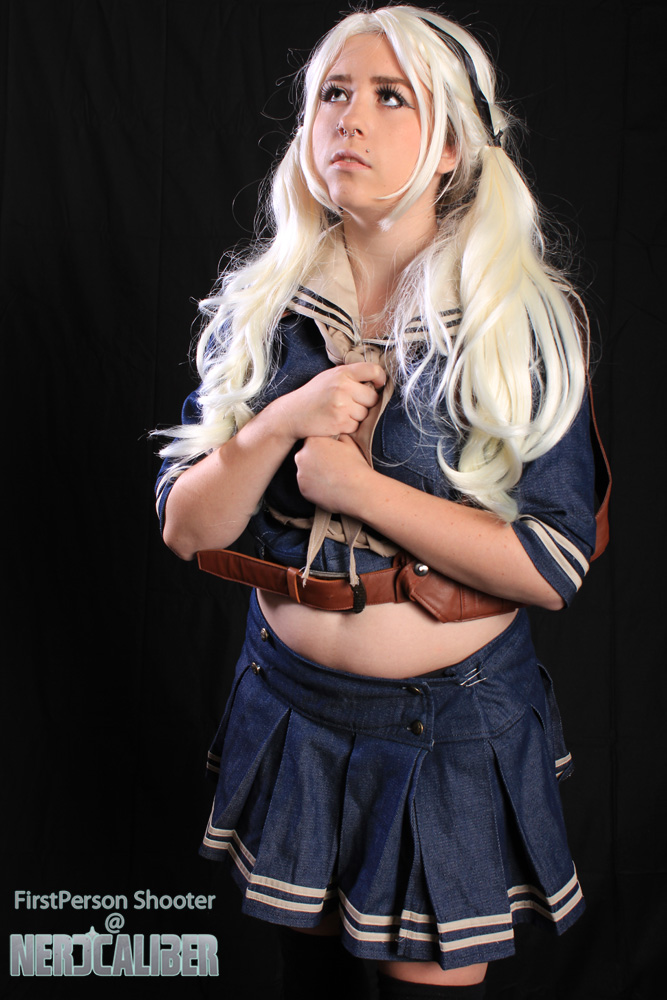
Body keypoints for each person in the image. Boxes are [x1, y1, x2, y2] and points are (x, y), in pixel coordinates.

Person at [154, 6, 608, 998]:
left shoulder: (514, 321)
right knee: (307, 986)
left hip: (445, 725)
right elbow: (188, 529)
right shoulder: (262, 310)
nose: (349, 118)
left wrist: (357, 487)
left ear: (448, 147)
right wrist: (278, 425)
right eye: (333, 93)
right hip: (288, 703)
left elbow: (552, 565)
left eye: (389, 96)